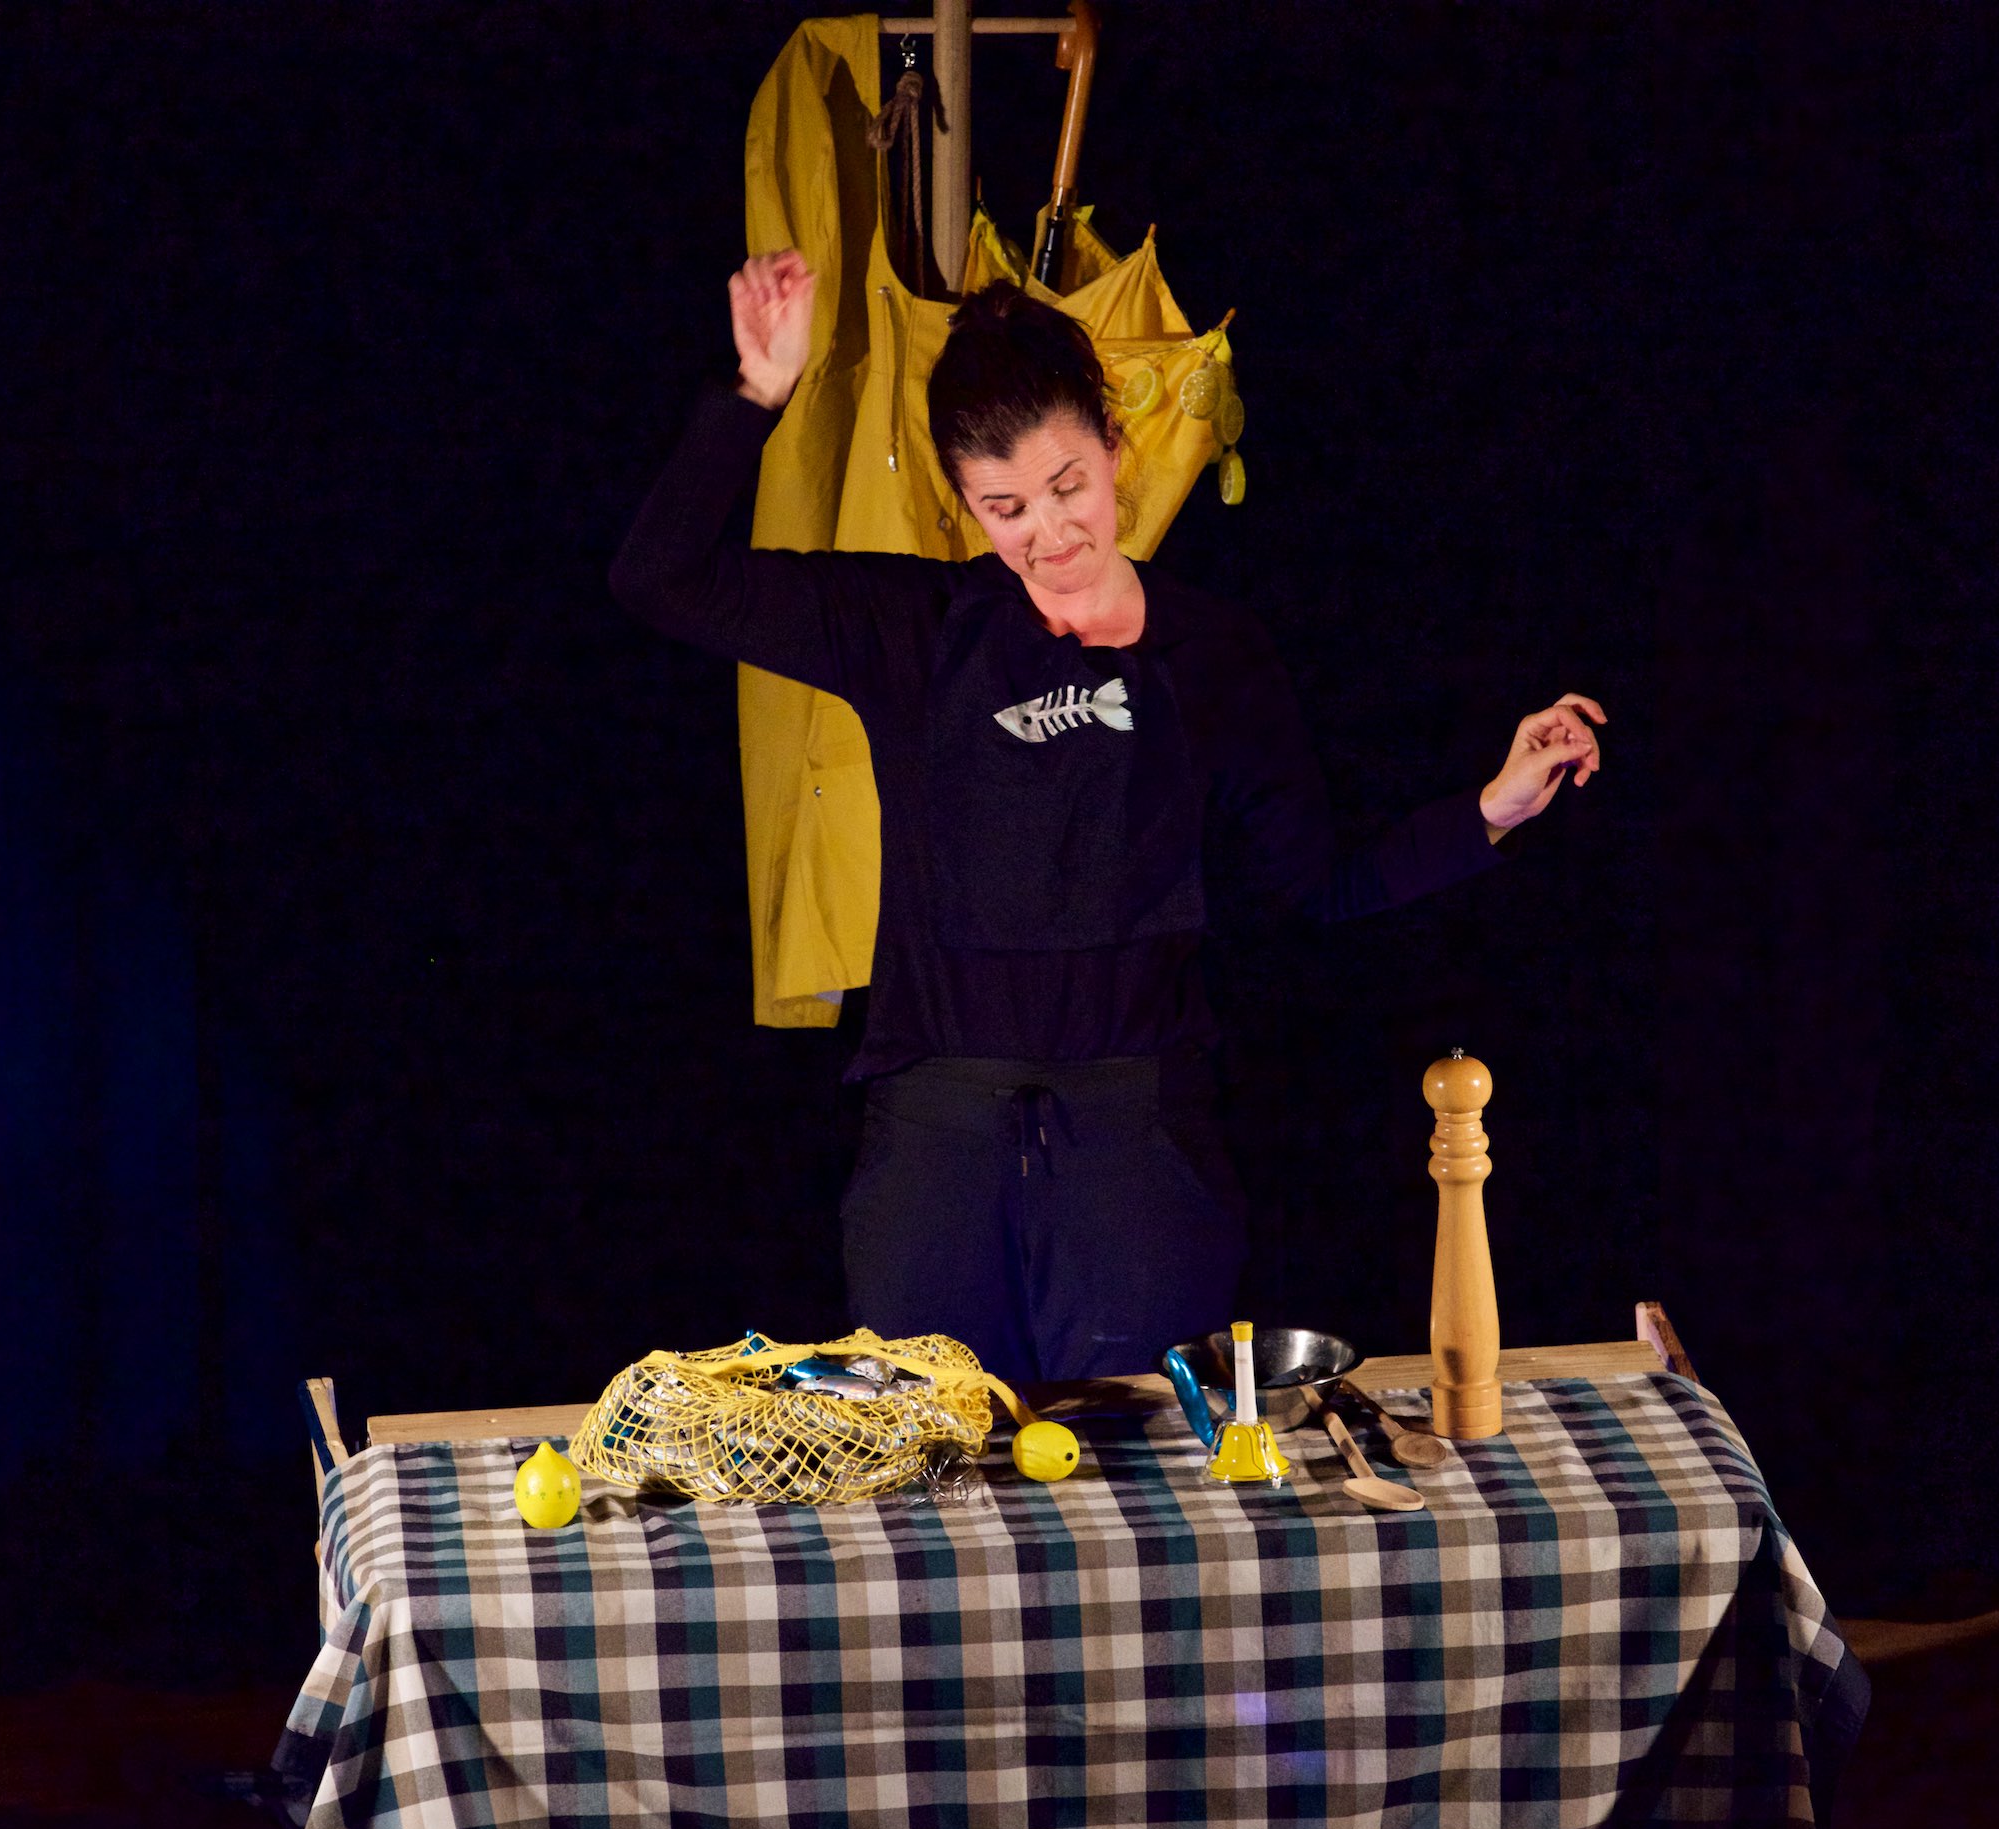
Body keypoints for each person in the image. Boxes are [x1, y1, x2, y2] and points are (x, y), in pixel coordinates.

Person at [613, 249, 1602, 1383]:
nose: (1048, 533)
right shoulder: (914, 629)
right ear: (964, 501)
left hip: (1139, 1154)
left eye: (1067, 486)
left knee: (1153, 1470)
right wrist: (756, 394)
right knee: (939, 1461)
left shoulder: (1214, 652)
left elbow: (1322, 883)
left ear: (1117, 448)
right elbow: (658, 579)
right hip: (935, 1150)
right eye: (1005, 508)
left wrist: (1489, 810)